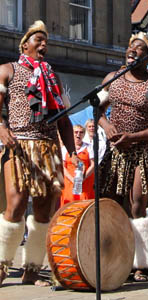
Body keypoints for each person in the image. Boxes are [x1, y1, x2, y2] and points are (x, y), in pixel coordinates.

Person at [0, 20, 78, 287]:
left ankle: (32, 269)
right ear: (25, 44)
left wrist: (73, 152)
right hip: (19, 145)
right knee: (16, 205)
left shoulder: (52, 76)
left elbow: (64, 121)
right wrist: (2, 128)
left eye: (46, 42)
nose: (43, 45)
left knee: (44, 210)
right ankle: (1, 266)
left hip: (48, 147)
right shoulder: (7, 70)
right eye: (38, 40)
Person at [98, 32, 148, 281]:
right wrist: (107, 127)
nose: (133, 50)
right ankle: (118, 259)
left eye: (140, 48)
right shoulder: (112, 79)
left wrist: (136, 136)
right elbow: (97, 109)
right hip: (116, 151)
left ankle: (141, 264)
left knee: (137, 204)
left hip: (143, 152)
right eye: (131, 47)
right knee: (115, 204)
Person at [60, 124, 95, 206]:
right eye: (76, 132)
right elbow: (63, 167)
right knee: (68, 204)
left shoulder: (89, 147)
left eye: (81, 132)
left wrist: (83, 178)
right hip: (69, 183)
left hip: (85, 183)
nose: (78, 135)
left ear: (84, 134)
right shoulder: (65, 148)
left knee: (84, 205)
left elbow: (93, 165)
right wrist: (72, 180)